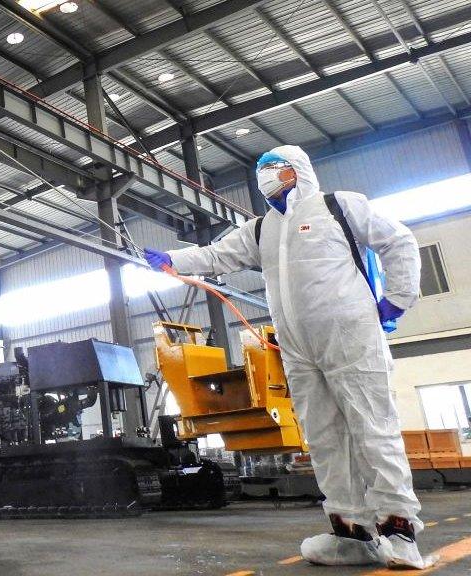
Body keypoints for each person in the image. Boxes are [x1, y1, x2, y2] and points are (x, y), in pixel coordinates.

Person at [144, 145, 431, 569]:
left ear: (295, 171)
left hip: (349, 333)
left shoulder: (338, 206)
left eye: (272, 168)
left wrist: (397, 299)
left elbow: (399, 240)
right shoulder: (262, 229)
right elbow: (216, 255)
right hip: (295, 346)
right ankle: (351, 533)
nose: (264, 175)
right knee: (324, 439)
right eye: (260, 169)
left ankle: (399, 531)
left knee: (372, 428)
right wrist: (172, 259)